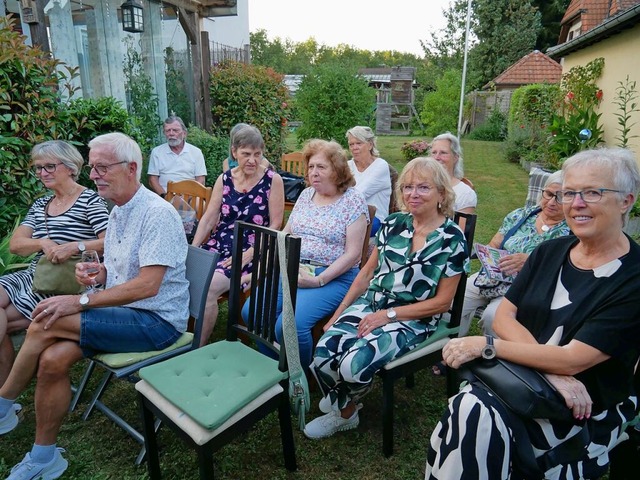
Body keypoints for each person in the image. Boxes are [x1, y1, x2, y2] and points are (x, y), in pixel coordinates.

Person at [426, 148, 640, 480]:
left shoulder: (633, 278)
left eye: (593, 192)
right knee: (470, 412)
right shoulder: (548, 252)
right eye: (570, 192)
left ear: (626, 201)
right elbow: (503, 318)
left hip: (583, 406)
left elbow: (574, 360)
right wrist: (550, 370)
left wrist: (487, 346)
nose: (576, 203)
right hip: (524, 380)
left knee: (473, 416)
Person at [0, 132, 190, 480]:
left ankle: (2, 404)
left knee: (46, 319)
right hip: (122, 313)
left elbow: (148, 285)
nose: (93, 175)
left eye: (102, 167)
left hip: (156, 321)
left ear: (131, 168)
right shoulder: (118, 211)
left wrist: (81, 299)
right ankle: (45, 457)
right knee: (53, 359)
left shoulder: (157, 213)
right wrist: (99, 271)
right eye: (92, 167)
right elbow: (121, 270)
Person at [304, 157, 469, 439]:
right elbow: (366, 274)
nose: (412, 194)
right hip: (371, 304)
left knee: (350, 365)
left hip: (413, 319)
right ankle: (344, 401)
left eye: (423, 187)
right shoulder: (394, 224)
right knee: (322, 353)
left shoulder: (452, 238)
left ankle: (345, 412)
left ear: (442, 193)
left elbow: (443, 302)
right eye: (407, 187)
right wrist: (338, 314)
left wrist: (388, 316)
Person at [244, 139, 369, 369]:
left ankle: (298, 374)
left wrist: (319, 279)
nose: (314, 173)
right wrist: (260, 271)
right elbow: (285, 234)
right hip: (295, 269)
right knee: (252, 312)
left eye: (321, 167)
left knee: (288, 325)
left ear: (338, 170)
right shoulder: (305, 195)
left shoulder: (353, 200)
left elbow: (352, 255)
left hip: (334, 276)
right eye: (311, 167)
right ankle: (275, 365)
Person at [0, 141, 109, 387]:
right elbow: (16, 244)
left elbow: (109, 242)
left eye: (49, 166)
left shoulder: (90, 201)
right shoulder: (41, 205)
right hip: (33, 275)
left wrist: (74, 246)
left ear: (70, 167)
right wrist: (42, 243)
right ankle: (4, 396)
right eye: (38, 168)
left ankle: (4, 397)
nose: (42, 173)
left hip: (66, 282)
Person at [192, 125, 284, 346]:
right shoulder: (224, 179)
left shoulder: (273, 180)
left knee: (209, 287)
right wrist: (193, 250)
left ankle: (197, 348)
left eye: (257, 154)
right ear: (234, 152)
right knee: (188, 275)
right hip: (220, 244)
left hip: (255, 249)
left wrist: (251, 253)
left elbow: (276, 224)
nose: (252, 160)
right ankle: (181, 335)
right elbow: (208, 218)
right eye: (246, 154)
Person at [458, 170, 571, 337]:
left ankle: (492, 357)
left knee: (493, 318)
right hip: (493, 277)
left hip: (528, 287)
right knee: (456, 300)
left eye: (560, 197)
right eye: (548, 194)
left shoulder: (572, 231)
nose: (552, 202)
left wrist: (531, 262)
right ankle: (450, 345)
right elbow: (494, 245)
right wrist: (491, 260)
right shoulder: (520, 215)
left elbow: (568, 270)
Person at [346, 126, 392, 236]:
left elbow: (359, 195)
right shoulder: (348, 165)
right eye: (351, 144)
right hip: (348, 214)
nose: (354, 147)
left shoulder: (380, 166)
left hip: (375, 218)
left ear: (370, 145)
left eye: (359, 143)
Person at [147, 115, 207, 196]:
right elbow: (152, 180)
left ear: (184, 133)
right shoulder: (157, 152)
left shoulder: (196, 152)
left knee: (201, 206)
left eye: (175, 130)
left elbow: (201, 179)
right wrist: (164, 197)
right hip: (165, 197)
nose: (171, 134)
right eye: (168, 131)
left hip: (191, 196)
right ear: (164, 133)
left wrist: (191, 196)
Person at [430, 132, 477, 213]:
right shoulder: (418, 186)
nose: (437, 157)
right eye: (434, 152)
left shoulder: (465, 194)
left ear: (455, 158)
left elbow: (461, 226)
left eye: (443, 153)